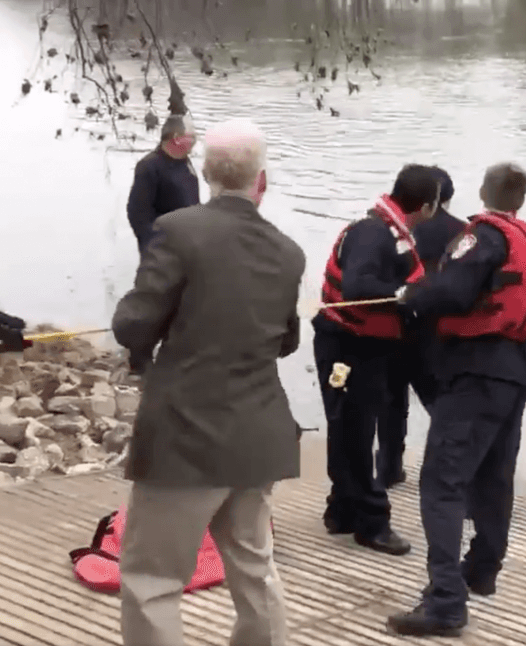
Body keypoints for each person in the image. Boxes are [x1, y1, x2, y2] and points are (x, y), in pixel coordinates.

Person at [110, 118, 305, 646]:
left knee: (153, 578)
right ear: (260, 182)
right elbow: (287, 340)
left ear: (206, 173)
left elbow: (133, 325)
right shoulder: (289, 253)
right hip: (258, 433)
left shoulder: (176, 230)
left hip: (184, 438)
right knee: (254, 568)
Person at [387, 162, 526, 637]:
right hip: (515, 371)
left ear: (484, 192)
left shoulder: (481, 236)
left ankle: (445, 602)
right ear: (520, 201)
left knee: (441, 484)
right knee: (494, 477)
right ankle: (482, 568)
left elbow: (455, 292)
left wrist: (412, 295)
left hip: (476, 370)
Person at [312, 164, 442, 555]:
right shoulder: (372, 234)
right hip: (348, 345)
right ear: (427, 205)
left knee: (348, 426)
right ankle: (372, 520)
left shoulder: (389, 230)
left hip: (359, 344)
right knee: (355, 429)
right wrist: (406, 294)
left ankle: (342, 509)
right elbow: (357, 286)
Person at [376, 165, 467, 489]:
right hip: (434, 330)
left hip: (395, 320)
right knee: (441, 402)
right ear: (448, 199)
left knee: (392, 401)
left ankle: (388, 469)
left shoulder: (398, 227)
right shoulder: (464, 232)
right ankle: (450, 472)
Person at [127, 113, 201, 255]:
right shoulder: (149, 166)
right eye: (192, 136)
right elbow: (137, 214)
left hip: (188, 251)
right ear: (176, 138)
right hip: (163, 255)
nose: (195, 140)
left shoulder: (185, 163)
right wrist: (156, 247)